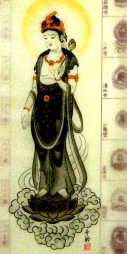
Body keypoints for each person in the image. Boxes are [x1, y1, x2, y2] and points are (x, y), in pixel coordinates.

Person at [21, 12, 87, 205]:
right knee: (41, 149)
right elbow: (34, 89)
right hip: (40, 112)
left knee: (57, 148)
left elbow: (71, 89)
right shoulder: (41, 60)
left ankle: (61, 186)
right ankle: (43, 186)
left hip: (59, 111)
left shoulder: (69, 59)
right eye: (45, 37)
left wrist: (59, 80)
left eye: (52, 37)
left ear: (61, 37)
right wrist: (26, 109)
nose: (49, 41)